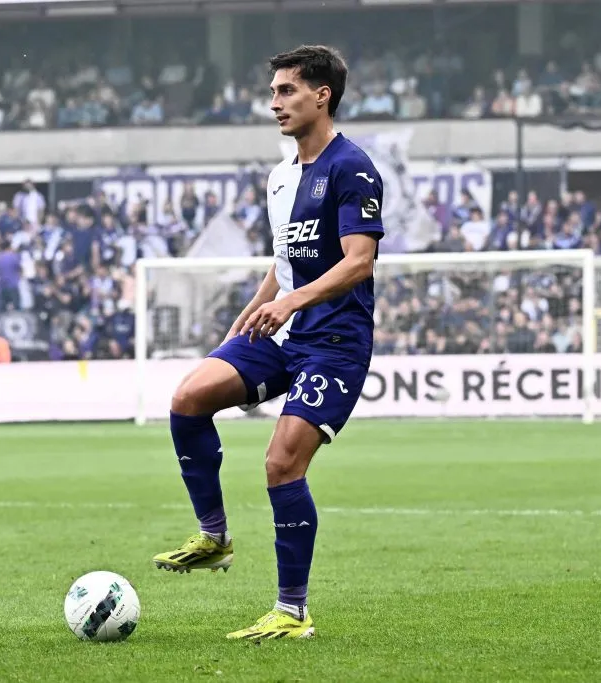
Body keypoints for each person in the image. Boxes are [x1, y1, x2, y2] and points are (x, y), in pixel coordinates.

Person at [151, 45, 384, 642]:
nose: (275, 102)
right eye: (274, 91)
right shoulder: (282, 177)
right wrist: (251, 313)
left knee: (282, 462)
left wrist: (289, 304)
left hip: (335, 342)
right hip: (284, 331)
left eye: (287, 91)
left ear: (321, 95)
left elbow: (359, 262)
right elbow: (284, 264)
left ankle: (293, 611)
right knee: (188, 398)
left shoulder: (353, 168)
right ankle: (214, 537)